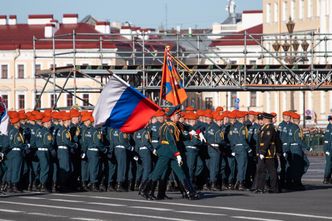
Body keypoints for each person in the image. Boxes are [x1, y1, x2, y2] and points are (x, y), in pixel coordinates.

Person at [140, 105, 199, 200]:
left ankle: (190, 193)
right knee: (157, 173)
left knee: (180, 173)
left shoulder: (174, 125)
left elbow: (180, 137)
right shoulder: (169, 126)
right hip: (166, 153)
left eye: (179, 114)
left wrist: (192, 135)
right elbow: (171, 142)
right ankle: (146, 191)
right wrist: (178, 154)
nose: (179, 116)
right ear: (172, 115)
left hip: (171, 154)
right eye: (177, 114)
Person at [255, 113, 279, 193]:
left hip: (268, 152)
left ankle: (274, 188)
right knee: (261, 170)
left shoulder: (270, 128)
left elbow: (267, 141)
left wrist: (262, 152)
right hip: (263, 151)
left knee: (271, 171)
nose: (263, 120)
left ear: (266, 119)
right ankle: (259, 188)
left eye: (264, 118)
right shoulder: (264, 127)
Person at [323, 116, 332, 184]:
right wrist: (327, 150)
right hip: (329, 148)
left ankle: (329, 178)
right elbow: (327, 140)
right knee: (329, 164)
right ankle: (326, 178)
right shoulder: (329, 127)